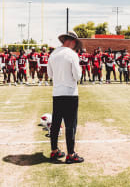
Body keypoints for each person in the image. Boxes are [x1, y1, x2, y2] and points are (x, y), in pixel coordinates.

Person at [48, 31, 84, 164]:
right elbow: (78, 76)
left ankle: (54, 150)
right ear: (73, 41)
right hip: (70, 93)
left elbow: (50, 74)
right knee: (70, 125)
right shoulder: (72, 54)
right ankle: (71, 154)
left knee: (56, 124)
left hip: (57, 93)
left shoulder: (53, 54)